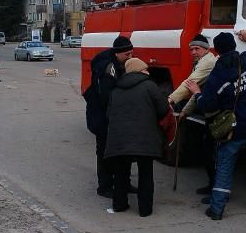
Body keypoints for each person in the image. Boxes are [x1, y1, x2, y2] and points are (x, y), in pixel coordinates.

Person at [185, 30, 246, 220]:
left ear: (216, 52)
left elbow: (207, 105)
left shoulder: (218, 76)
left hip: (235, 131)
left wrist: (196, 92)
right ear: (235, 46)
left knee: (225, 169)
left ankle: (216, 210)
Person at [105, 58, 168, 217]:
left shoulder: (116, 89)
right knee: (146, 174)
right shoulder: (150, 86)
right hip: (144, 138)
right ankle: (145, 210)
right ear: (140, 70)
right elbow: (163, 109)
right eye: (146, 69)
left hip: (119, 139)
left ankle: (119, 205)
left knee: (120, 173)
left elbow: (108, 114)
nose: (148, 71)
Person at [167, 34, 218, 200]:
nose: (194, 52)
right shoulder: (200, 63)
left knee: (212, 153)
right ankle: (213, 186)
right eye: (191, 49)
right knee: (209, 151)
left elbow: (189, 84)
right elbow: (197, 91)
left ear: (206, 49)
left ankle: (216, 190)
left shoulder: (207, 62)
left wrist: (170, 99)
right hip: (210, 110)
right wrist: (185, 112)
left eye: (197, 48)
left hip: (216, 113)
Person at [84, 35, 135, 198]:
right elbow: (107, 97)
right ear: (118, 53)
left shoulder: (116, 63)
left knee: (121, 151)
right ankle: (104, 186)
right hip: (103, 117)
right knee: (105, 152)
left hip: (111, 116)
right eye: (127, 55)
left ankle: (123, 183)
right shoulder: (107, 68)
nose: (130, 57)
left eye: (131, 54)